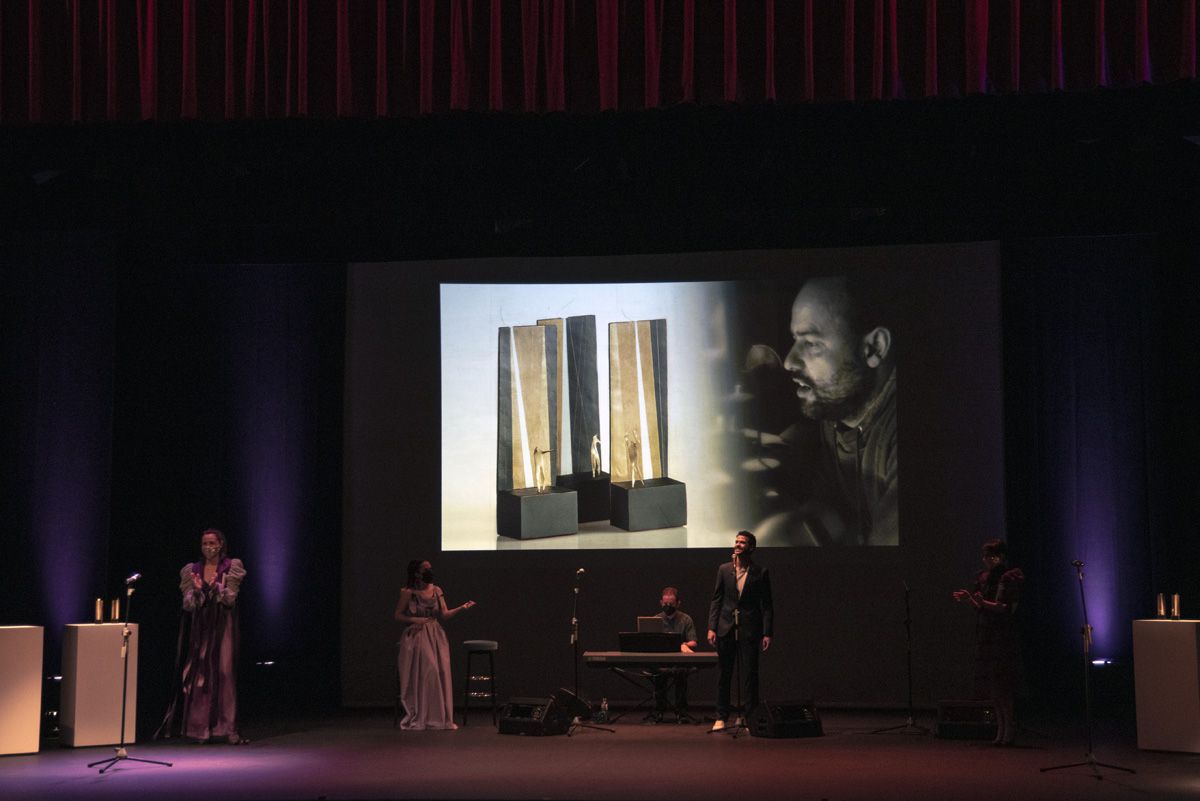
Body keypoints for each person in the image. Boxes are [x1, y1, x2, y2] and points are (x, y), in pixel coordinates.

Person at [762, 273, 899, 546]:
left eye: (811, 343)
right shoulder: (839, 406)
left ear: (874, 348)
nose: (789, 361)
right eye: (794, 340)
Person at [156, 528, 247, 744]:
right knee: (200, 675)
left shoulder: (232, 566)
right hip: (202, 628)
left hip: (223, 625)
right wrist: (197, 591)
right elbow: (188, 605)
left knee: (224, 672)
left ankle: (228, 727)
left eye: (212, 543)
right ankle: (201, 729)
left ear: (221, 544)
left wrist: (217, 588)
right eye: (204, 543)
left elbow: (230, 600)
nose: (208, 547)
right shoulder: (192, 570)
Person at [953, 539, 1025, 746]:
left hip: (1002, 635)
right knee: (993, 688)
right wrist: (971, 600)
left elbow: (1005, 608)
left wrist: (982, 603)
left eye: (989, 556)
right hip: (987, 634)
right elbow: (982, 607)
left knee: (1003, 685)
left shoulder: (1010, 577)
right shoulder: (985, 578)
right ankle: (1000, 728)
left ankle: (1008, 727)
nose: (985, 560)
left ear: (999, 556)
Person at [394, 559, 476, 730]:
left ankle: (438, 717)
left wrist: (462, 607)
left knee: (441, 671)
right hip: (417, 634)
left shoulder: (436, 590)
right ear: (417, 572)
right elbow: (398, 615)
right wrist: (414, 619)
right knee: (428, 669)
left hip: (435, 633)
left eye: (430, 568)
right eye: (426, 569)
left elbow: (444, 614)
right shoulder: (408, 592)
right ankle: (422, 714)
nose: (429, 571)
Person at [707, 531, 773, 731]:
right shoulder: (724, 569)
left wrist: (767, 632)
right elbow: (716, 599)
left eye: (742, 542)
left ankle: (748, 716)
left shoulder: (760, 572)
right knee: (724, 673)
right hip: (726, 627)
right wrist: (712, 627)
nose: (737, 544)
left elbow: (767, 605)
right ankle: (721, 716)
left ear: (751, 547)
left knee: (750, 675)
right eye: (736, 541)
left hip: (750, 628)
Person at [645, 586, 699, 725]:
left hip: (678, 662)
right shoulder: (656, 619)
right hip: (661, 662)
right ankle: (659, 711)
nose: (667, 606)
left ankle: (681, 712)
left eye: (671, 603)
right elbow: (648, 642)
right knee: (659, 673)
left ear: (678, 603)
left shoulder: (686, 619)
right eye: (665, 603)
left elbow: (693, 642)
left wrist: (684, 644)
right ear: (661, 602)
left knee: (681, 672)